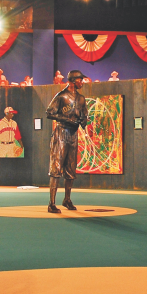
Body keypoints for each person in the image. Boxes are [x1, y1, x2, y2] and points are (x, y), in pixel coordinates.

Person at [45, 70, 88, 213]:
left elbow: (84, 114)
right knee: (56, 167)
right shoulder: (61, 96)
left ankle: (67, 199)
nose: (82, 82)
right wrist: (66, 119)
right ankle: (51, 203)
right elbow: (49, 112)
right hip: (61, 133)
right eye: (80, 80)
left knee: (71, 168)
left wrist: (83, 120)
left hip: (73, 134)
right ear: (72, 81)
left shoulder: (81, 98)